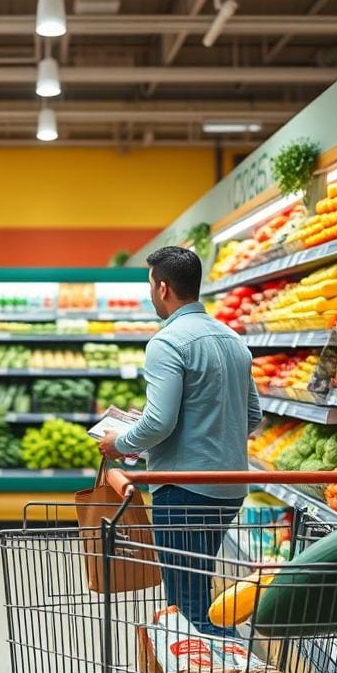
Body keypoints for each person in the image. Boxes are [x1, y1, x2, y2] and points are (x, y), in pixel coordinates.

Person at [98, 246, 261, 635]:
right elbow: (252, 416)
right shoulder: (233, 339)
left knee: (186, 603)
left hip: (184, 488)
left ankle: (221, 669)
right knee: (197, 591)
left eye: (150, 285)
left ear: (163, 288)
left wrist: (120, 442)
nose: (151, 293)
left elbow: (159, 422)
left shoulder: (167, 342)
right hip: (230, 487)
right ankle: (213, 665)